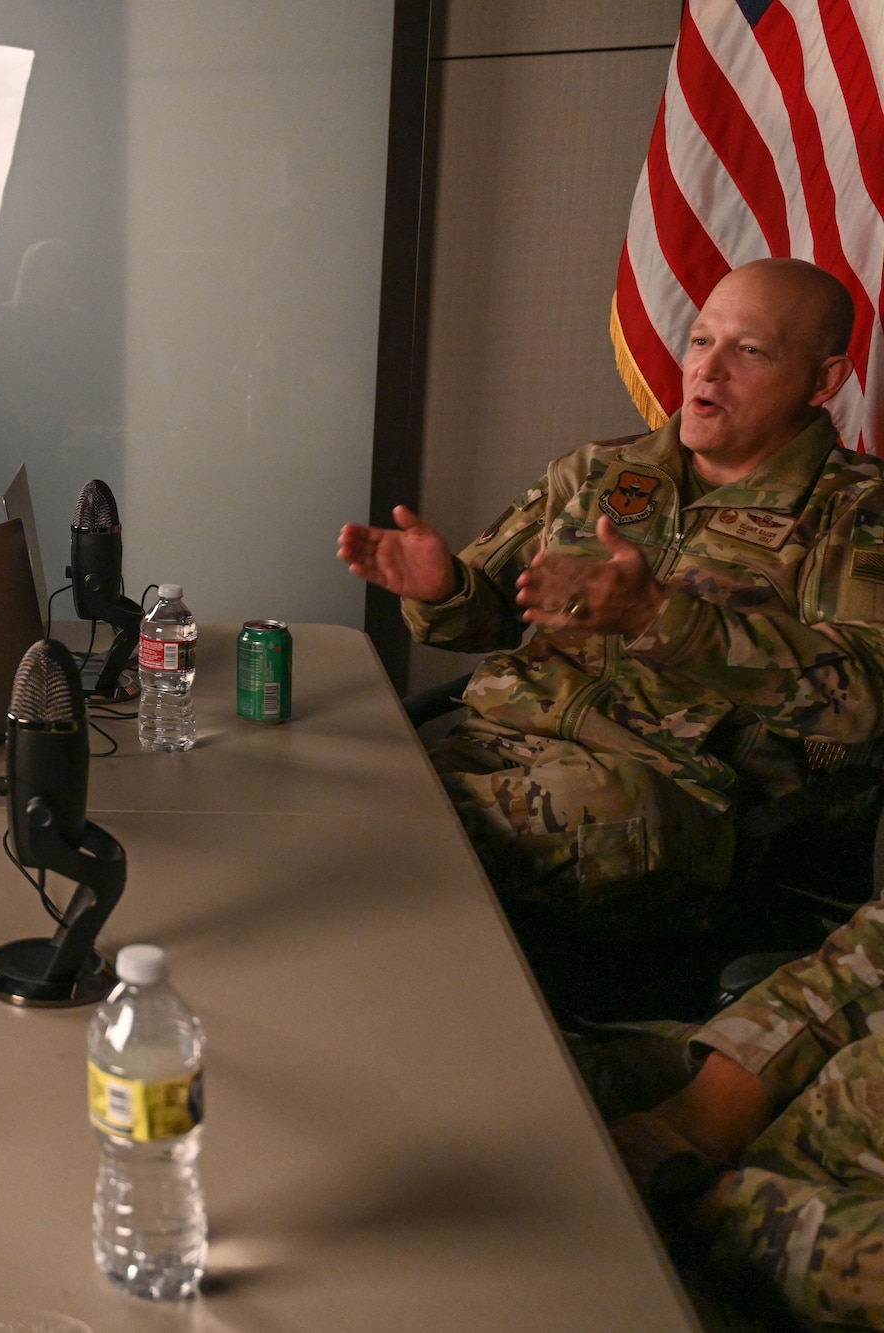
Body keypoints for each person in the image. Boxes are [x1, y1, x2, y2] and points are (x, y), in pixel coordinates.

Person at [339, 258, 884, 944]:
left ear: (825, 379)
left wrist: (664, 620)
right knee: (342, 799)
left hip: (671, 792)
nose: (708, 371)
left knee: (378, 851)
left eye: (749, 350)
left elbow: (864, 699)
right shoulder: (602, 470)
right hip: (495, 747)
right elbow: (487, 614)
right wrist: (445, 589)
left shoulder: (854, 511)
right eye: (700, 340)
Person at [608, 909, 884, 1328]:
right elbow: (867, 952)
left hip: (797, 1269)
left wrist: (716, 1202)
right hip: (772, 1108)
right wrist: (719, 1094)